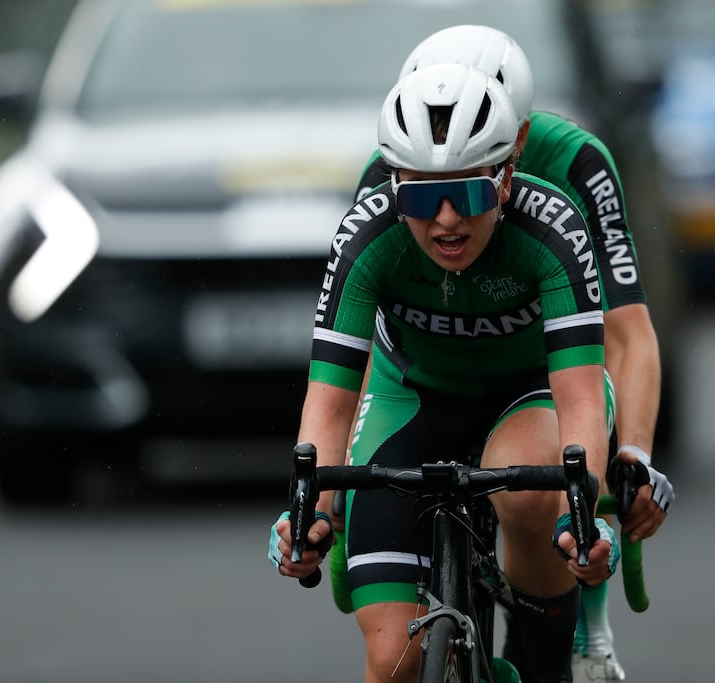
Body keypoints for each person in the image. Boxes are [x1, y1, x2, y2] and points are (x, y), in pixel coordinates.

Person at [270, 63, 617, 683]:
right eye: (424, 196)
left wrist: (580, 515)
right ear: (393, 183)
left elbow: (583, 399)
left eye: (472, 192)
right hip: (414, 394)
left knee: (537, 497)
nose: (448, 219)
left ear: (507, 179)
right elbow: (327, 403)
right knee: (392, 662)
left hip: (531, 393)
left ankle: (544, 661)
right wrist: (308, 511)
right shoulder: (367, 234)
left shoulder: (554, 229)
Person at [355, 25, 675, 683]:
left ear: (520, 136)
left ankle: (570, 628)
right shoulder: (394, 170)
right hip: (431, 372)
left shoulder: (576, 163)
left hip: (542, 369)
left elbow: (626, 332)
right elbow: (370, 314)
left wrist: (632, 454)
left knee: (541, 486)